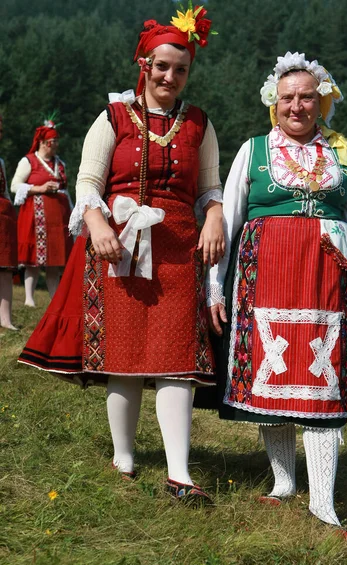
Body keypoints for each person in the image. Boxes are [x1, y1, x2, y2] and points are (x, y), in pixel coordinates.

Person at [19, 6, 224, 500]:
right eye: (162, 66)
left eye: (181, 68)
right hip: (119, 248)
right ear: (143, 64)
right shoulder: (113, 117)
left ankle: (180, 473)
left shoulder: (199, 123)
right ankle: (124, 456)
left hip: (178, 247)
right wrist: (96, 225)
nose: (170, 76)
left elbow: (210, 188)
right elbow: (88, 183)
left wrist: (214, 215)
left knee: (177, 356)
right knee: (126, 352)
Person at [207, 52, 347, 531]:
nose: (297, 106)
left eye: (307, 97)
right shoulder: (253, 150)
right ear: (275, 102)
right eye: (287, 97)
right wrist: (215, 288)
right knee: (272, 381)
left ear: (322, 101)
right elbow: (227, 220)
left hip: (327, 283)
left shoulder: (341, 154)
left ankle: (323, 500)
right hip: (262, 276)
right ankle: (284, 482)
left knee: (319, 384)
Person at [11, 119, 73, 307]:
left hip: (57, 218)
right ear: (43, 143)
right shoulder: (29, 161)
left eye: (56, 141)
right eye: (53, 141)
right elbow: (15, 185)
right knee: (34, 261)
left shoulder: (59, 163)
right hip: (35, 216)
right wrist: (40, 188)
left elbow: (66, 191)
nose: (55, 145)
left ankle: (54, 298)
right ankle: (29, 298)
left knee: (54, 261)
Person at [0, 115, 18, 330]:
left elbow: (5, 191)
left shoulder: (1, 161)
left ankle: (5, 320)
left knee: (4, 270)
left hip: (2, 219)